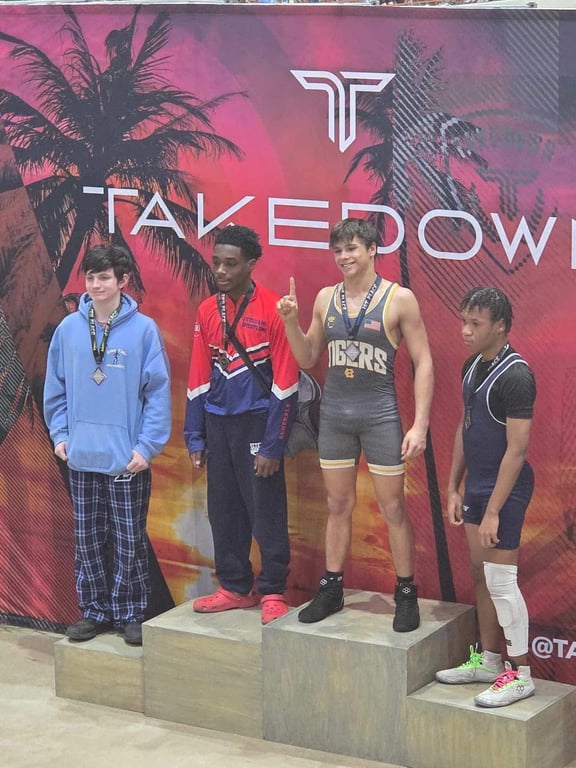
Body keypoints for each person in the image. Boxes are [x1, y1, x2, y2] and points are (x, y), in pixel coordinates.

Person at [277, 218, 433, 632]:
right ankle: (331, 589)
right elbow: (308, 357)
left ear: (372, 250)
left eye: (351, 249)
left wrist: (420, 424)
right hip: (335, 418)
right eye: (338, 250)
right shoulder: (326, 298)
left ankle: (405, 593)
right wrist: (290, 322)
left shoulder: (399, 299)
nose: (344, 257)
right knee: (337, 505)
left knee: (393, 508)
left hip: (379, 416)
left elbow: (424, 361)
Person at [43, 244, 171, 646]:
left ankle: (130, 613)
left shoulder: (144, 330)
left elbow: (158, 393)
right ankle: (94, 612)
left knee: (129, 540)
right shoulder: (68, 330)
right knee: (88, 540)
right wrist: (61, 436)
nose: (96, 285)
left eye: (104, 277)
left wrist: (145, 448)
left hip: (125, 459)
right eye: (91, 277)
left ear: (123, 281)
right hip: (82, 457)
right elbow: (55, 389)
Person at [185, 225, 299, 625]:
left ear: (251, 264)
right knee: (223, 509)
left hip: (257, 423)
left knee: (266, 509)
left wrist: (272, 444)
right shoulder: (206, 310)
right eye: (216, 262)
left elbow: (286, 381)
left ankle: (273, 590)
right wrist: (195, 435)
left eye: (230, 264)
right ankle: (235, 587)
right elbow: (198, 376)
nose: (220, 270)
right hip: (218, 423)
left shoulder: (272, 308)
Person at [435, 287, 536, 707]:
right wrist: (452, 486)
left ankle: (521, 675)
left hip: (506, 491)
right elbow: (466, 426)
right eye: (463, 321)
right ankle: (491, 661)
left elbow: (517, 450)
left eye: (475, 324)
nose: (465, 330)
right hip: (476, 485)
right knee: (480, 573)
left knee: (501, 581)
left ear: (500, 327)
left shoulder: (517, 376)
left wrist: (493, 510)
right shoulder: (471, 366)